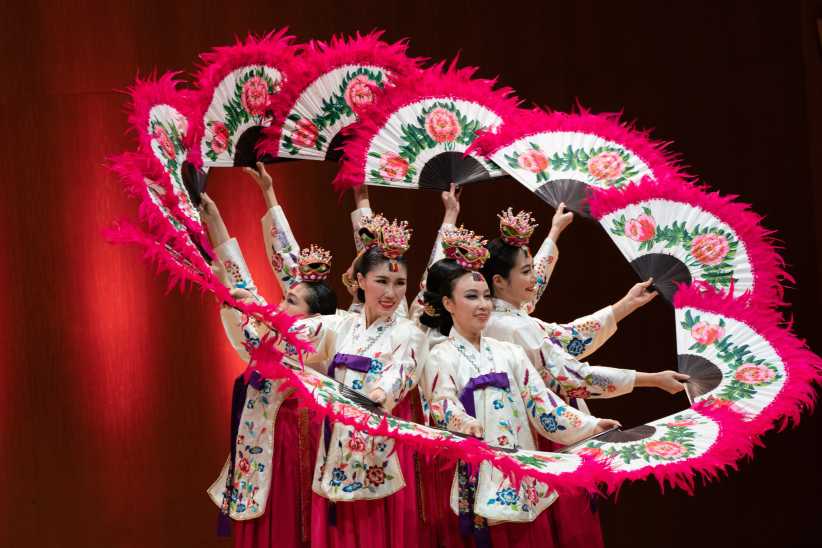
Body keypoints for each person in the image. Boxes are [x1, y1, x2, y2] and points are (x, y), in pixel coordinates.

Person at [480, 206, 689, 547]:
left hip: (518, 427)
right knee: (562, 528)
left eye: (532, 268)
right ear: (499, 282)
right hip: (544, 428)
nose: (534, 278)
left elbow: (558, 324)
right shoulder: (515, 327)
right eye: (526, 271)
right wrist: (651, 379)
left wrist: (554, 233)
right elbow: (573, 376)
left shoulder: (497, 314)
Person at [419, 230, 620, 547]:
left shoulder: (507, 352)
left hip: (523, 476)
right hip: (478, 477)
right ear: (448, 303)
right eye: (471, 297)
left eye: (486, 296)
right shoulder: (439, 357)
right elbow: (442, 406)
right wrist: (464, 424)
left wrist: (591, 426)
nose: (483, 304)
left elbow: (543, 407)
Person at [199, 186, 336, 548]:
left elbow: (255, 296)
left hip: (296, 440)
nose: (279, 301)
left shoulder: (318, 338)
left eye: (290, 300)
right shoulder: (268, 339)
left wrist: (243, 300)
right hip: (263, 438)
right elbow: (242, 288)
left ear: (311, 315)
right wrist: (216, 219)